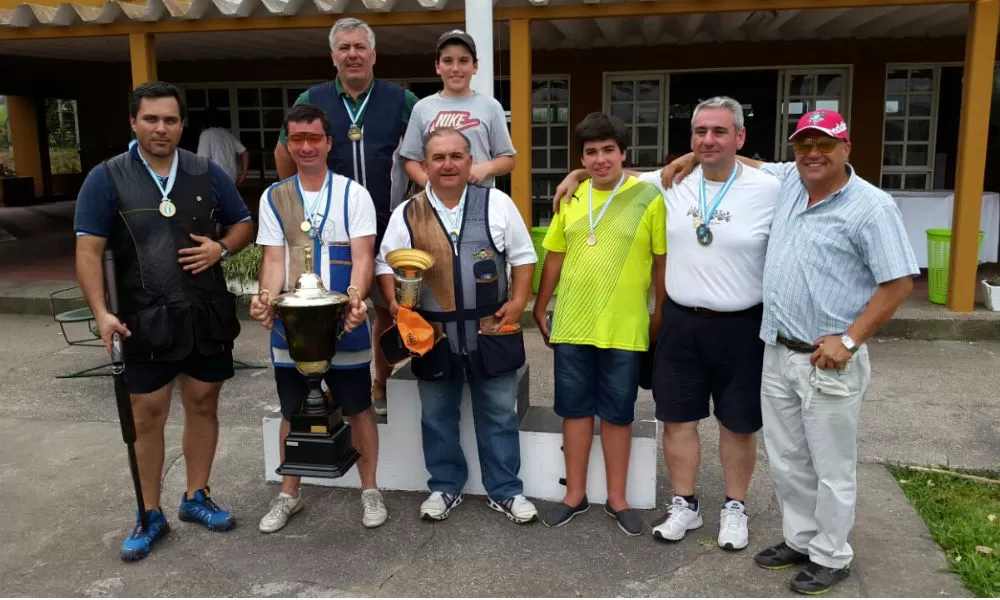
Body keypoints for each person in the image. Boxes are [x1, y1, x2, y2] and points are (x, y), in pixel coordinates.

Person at [659, 109, 918, 595]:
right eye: (804, 146)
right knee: (789, 458)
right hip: (777, 349)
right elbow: (734, 157)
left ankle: (832, 554)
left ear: (847, 148)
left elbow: (899, 281)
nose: (813, 155)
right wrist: (693, 155)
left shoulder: (870, 206)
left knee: (832, 465)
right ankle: (800, 540)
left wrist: (850, 339)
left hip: (828, 358)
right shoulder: (791, 181)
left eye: (824, 145)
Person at [552, 97, 780, 549]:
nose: (708, 140)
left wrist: (701, 154)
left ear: (740, 136)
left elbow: (805, 170)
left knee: (737, 423)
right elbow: (617, 176)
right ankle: (685, 504)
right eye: (699, 133)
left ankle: (734, 507)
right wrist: (576, 174)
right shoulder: (669, 183)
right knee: (677, 419)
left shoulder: (768, 185)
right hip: (680, 321)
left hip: (741, 323)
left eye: (719, 132)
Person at [74, 81, 254, 562]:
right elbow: (89, 250)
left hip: (203, 312)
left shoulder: (205, 170)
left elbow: (242, 223)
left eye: (170, 120)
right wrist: (101, 314)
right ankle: (149, 512)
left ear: (181, 124)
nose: (161, 128)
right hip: (143, 317)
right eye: (151, 119)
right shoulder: (107, 177)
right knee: (146, 414)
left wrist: (223, 246)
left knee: (203, 402)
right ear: (133, 122)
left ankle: (196, 496)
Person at [375, 127, 537, 524]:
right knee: (436, 414)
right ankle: (445, 486)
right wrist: (395, 301)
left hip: (491, 329)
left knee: (499, 413)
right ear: (425, 166)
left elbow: (523, 254)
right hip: (433, 334)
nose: (447, 164)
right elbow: (385, 262)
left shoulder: (496, 202)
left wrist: (518, 302)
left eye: (456, 156)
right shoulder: (406, 213)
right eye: (438, 158)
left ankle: (506, 491)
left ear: (470, 161)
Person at [250, 103, 386, 532]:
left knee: (359, 407)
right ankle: (289, 494)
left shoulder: (353, 194)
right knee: (291, 409)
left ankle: (370, 490)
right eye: (297, 139)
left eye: (314, 138)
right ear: (288, 144)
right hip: (292, 327)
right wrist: (265, 298)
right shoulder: (274, 196)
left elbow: (363, 257)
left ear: (328, 142)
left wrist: (355, 301)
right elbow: (273, 259)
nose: (305, 146)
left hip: (345, 322)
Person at [275, 17, 420, 417]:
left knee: (388, 307)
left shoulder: (402, 100)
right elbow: (285, 149)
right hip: (327, 226)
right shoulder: (313, 97)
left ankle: (381, 380)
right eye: (345, 48)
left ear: (373, 54)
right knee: (327, 304)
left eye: (360, 47)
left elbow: (419, 156)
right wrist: (296, 204)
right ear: (333, 56)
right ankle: (326, 383)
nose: (352, 54)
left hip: (388, 221)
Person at [535, 112, 666, 536]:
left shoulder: (649, 197)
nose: (600, 159)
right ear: (582, 158)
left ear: (623, 153)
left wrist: (658, 312)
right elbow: (554, 255)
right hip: (572, 322)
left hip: (624, 327)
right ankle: (573, 495)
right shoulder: (572, 198)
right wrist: (541, 305)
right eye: (590, 152)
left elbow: (661, 262)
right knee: (574, 412)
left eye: (608, 149)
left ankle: (618, 499)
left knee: (617, 414)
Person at [399, 30, 515, 190]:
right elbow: (410, 159)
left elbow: (508, 159)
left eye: (463, 61)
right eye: (447, 61)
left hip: (479, 196)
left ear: (475, 66)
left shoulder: (490, 106)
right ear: (437, 66)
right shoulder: (422, 108)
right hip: (436, 202)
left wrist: (485, 168)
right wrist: (428, 182)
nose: (455, 68)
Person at [197, 106, 249, 185]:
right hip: (231, 178)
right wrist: (244, 174)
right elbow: (244, 152)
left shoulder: (206, 134)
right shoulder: (227, 134)